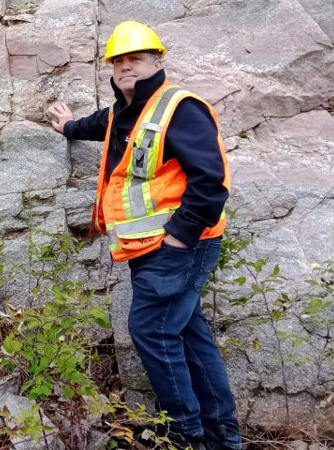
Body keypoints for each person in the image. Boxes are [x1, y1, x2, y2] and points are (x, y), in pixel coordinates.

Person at [47, 21, 242, 450]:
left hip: (179, 245)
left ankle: (184, 436)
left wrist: (179, 237)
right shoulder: (125, 110)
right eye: (118, 61)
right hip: (153, 247)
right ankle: (222, 438)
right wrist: (68, 127)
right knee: (188, 334)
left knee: (151, 330)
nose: (125, 67)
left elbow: (211, 180)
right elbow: (104, 125)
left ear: (157, 60)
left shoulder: (180, 107)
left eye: (135, 58)